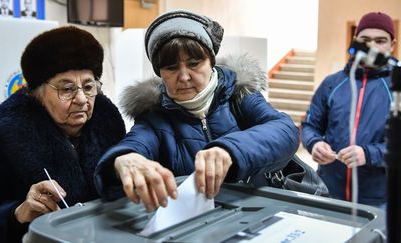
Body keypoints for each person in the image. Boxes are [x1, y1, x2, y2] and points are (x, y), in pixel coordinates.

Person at [94, 10, 299, 212]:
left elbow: (284, 130)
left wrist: (229, 150)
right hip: (197, 225)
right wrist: (122, 159)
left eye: (194, 64)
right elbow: (135, 144)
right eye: (171, 68)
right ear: (160, 73)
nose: (184, 77)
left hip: (257, 212)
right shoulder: (154, 116)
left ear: (211, 62)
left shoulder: (238, 93)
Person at [0, 26, 126, 242]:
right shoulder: (6, 140)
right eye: (67, 89)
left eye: (88, 87)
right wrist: (17, 213)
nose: (82, 99)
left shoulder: (110, 128)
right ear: (38, 94)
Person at [301, 12, 396, 208]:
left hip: (379, 200)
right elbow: (310, 125)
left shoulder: (397, 88)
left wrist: (369, 154)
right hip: (328, 192)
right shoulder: (332, 83)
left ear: (392, 45)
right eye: (365, 40)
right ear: (356, 41)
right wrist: (315, 143)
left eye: (380, 41)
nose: (372, 47)